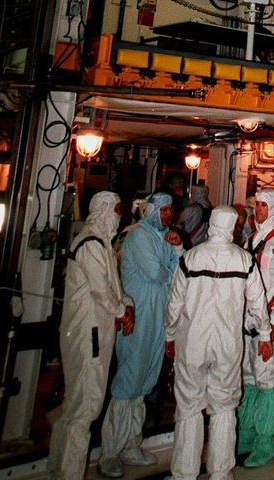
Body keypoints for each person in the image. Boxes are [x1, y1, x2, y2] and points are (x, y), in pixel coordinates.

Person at [164, 206, 272, 480]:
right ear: (233, 227)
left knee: (189, 406)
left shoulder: (190, 258)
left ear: (211, 224)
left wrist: (169, 335)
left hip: (192, 344)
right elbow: (259, 305)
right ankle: (220, 473)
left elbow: (174, 304)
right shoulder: (245, 260)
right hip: (227, 346)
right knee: (225, 407)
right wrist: (265, 336)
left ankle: (184, 474)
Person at [47, 192, 134, 480]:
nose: (120, 215)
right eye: (118, 209)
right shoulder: (91, 244)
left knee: (75, 406)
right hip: (89, 334)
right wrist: (122, 311)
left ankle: (58, 470)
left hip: (94, 331)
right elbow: (101, 291)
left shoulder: (101, 244)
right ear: (105, 210)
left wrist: (126, 305)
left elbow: (113, 287)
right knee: (85, 406)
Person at [99, 193, 182, 476]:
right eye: (164, 210)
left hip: (158, 317)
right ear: (152, 211)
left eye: (171, 210)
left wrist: (179, 247)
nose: (168, 215)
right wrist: (172, 267)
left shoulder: (166, 238)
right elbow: (159, 274)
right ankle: (110, 452)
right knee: (128, 381)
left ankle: (131, 445)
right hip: (138, 318)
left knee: (145, 380)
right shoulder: (138, 238)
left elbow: (179, 272)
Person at [237, 189, 274, 468]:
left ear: (273, 208)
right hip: (248, 321)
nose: (258, 210)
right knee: (249, 380)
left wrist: (273, 323)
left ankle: (264, 441)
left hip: (266, 324)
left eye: (263, 205)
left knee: (267, 381)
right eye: (256, 205)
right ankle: (245, 434)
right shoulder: (251, 239)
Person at [176, 184, 211, 249]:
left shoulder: (190, 209)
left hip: (189, 244)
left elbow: (178, 226)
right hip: (203, 245)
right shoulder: (211, 209)